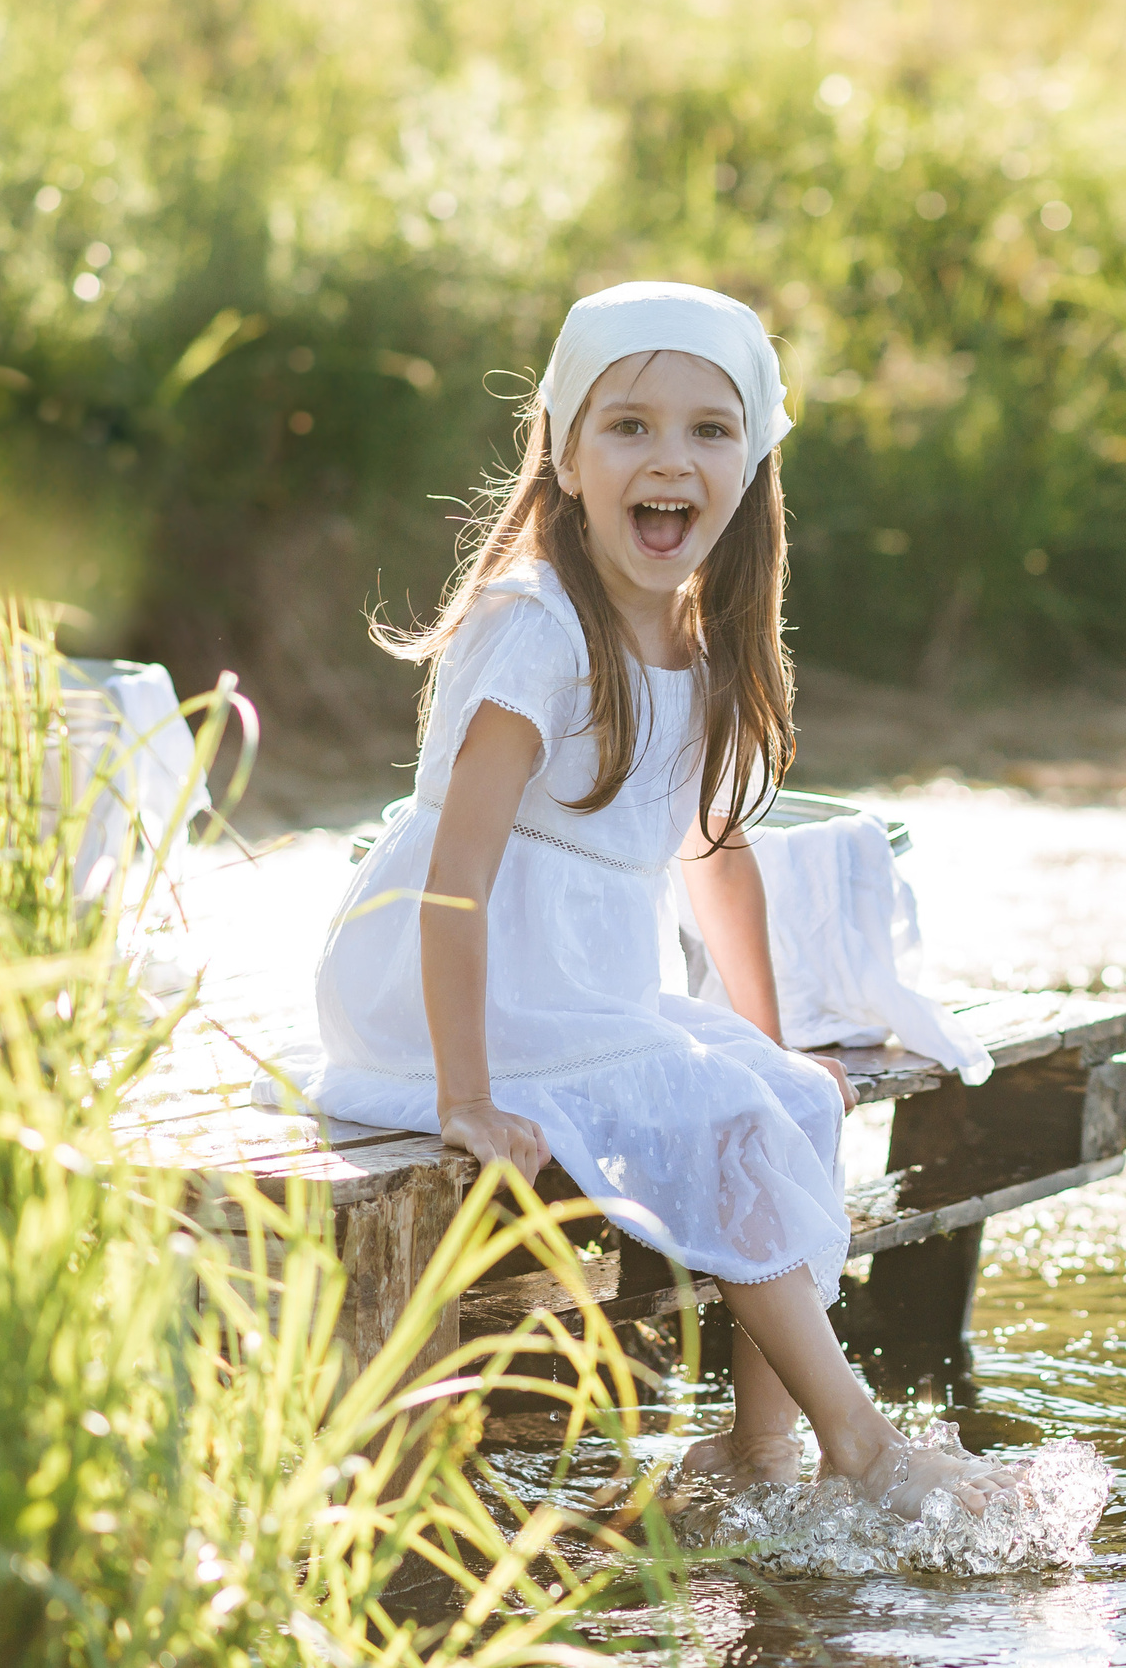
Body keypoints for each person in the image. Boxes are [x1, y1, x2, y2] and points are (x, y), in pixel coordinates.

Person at [296, 281, 1023, 1519]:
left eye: (708, 429)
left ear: (752, 463)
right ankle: (860, 1443)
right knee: (716, 1110)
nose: (669, 458)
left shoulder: (701, 635)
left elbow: (713, 854)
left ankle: (759, 1445)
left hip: (573, 985)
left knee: (789, 1097)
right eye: (628, 425)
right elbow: (457, 878)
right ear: (566, 455)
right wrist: (466, 1097)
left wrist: (770, 1040)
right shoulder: (538, 626)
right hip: (450, 993)